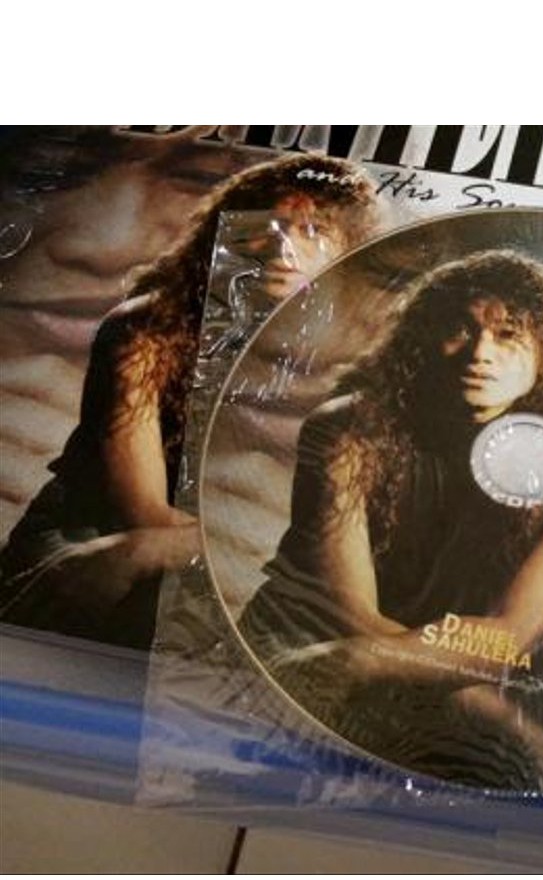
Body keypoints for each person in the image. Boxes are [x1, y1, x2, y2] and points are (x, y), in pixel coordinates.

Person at [238, 250, 543, 789]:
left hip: (458, 662)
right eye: (460, 329)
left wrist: (483, 695)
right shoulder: (350, 431)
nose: (480, 353)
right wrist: (491, 710)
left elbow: (511, 634)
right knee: (534, 758)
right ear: (425, 335)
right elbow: (354, 624)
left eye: (509, 334)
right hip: (311, 645)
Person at [0, 153, 380, 646]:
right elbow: (144, 514)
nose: (283, 245)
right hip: (91, 537)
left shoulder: (343, 359)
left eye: (314, 230)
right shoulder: (149, 327)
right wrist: (212, 548)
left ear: (348, 249)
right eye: (270, 223)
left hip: (194, 561)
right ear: (229, 231)